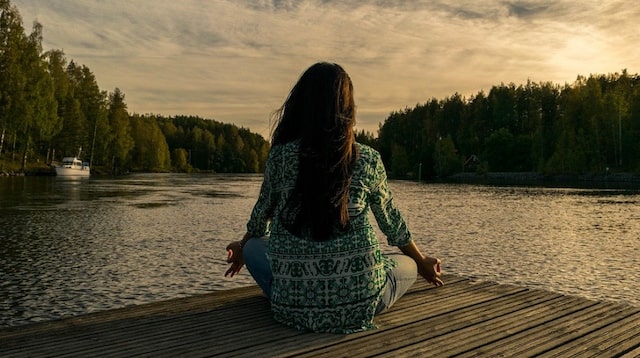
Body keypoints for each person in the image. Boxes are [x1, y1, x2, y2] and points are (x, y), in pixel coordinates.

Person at [225, 62, 443, 334]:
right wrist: (422, 262)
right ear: (347, 109)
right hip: (361, 304)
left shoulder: (279, 157)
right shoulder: (367, 159)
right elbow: (392, 225)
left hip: (291, 308)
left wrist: (242, 246)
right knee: (407, 263)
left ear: (301, 105)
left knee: (256, 246)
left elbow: (260, 219)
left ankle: (293, 293)